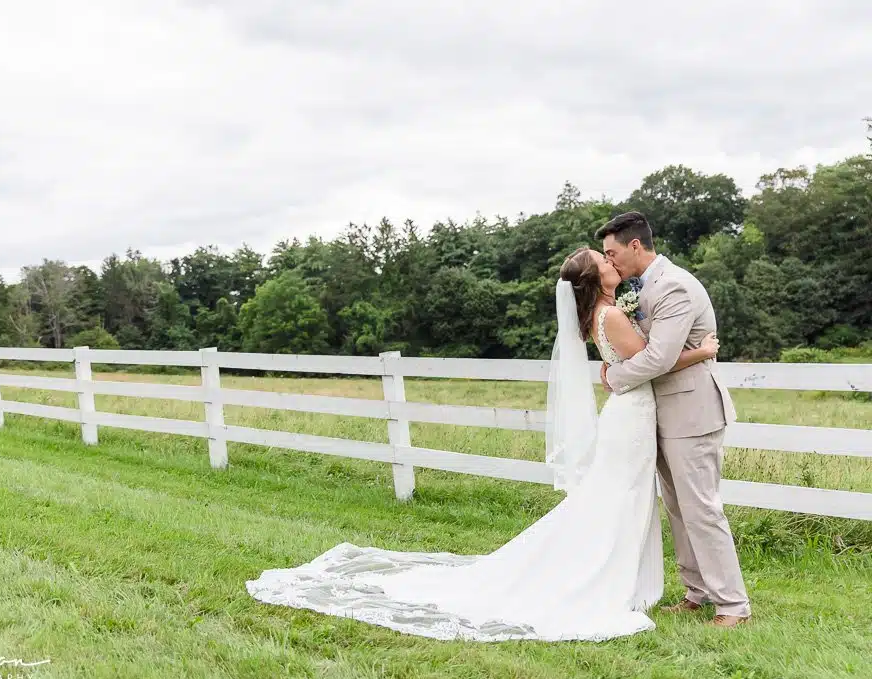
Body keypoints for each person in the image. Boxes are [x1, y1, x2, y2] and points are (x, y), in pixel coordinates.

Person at [244, 244, 719, 642]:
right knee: (619, 501)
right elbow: (652, 362)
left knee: (621, 500)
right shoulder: (612, 314)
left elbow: (630, 365)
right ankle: (605, 581)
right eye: (604, 261)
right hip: (629, 418)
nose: (613, 263)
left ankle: (632, 579)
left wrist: (618, 369)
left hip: (631, 417)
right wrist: (701, 351)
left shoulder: (605, 312)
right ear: (596, 278)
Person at [597, 211, 750, 627]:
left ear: (635, 245)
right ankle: (696, 592)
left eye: (612, 254)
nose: (609, 263)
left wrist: (616, 376)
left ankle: (733, 604)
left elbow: (660, 356)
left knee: (701, 508)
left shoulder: (675, 286)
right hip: (660, 416)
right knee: (678, 508)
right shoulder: (639, 288)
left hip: (692, 412)